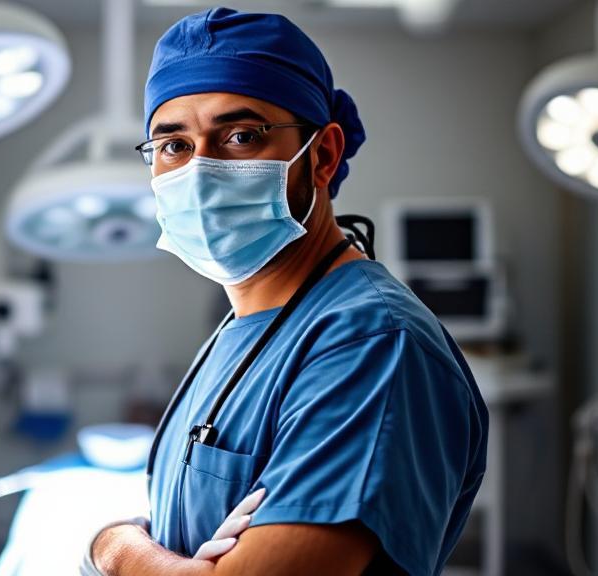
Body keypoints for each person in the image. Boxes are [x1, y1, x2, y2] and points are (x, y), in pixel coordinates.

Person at [84, 7, 489, 576]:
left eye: (241, 136)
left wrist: (116, 548)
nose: (200, 170)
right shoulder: (243, 327)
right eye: (173, 145)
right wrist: (134, 550)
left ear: (322, 156)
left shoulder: (370, 342)